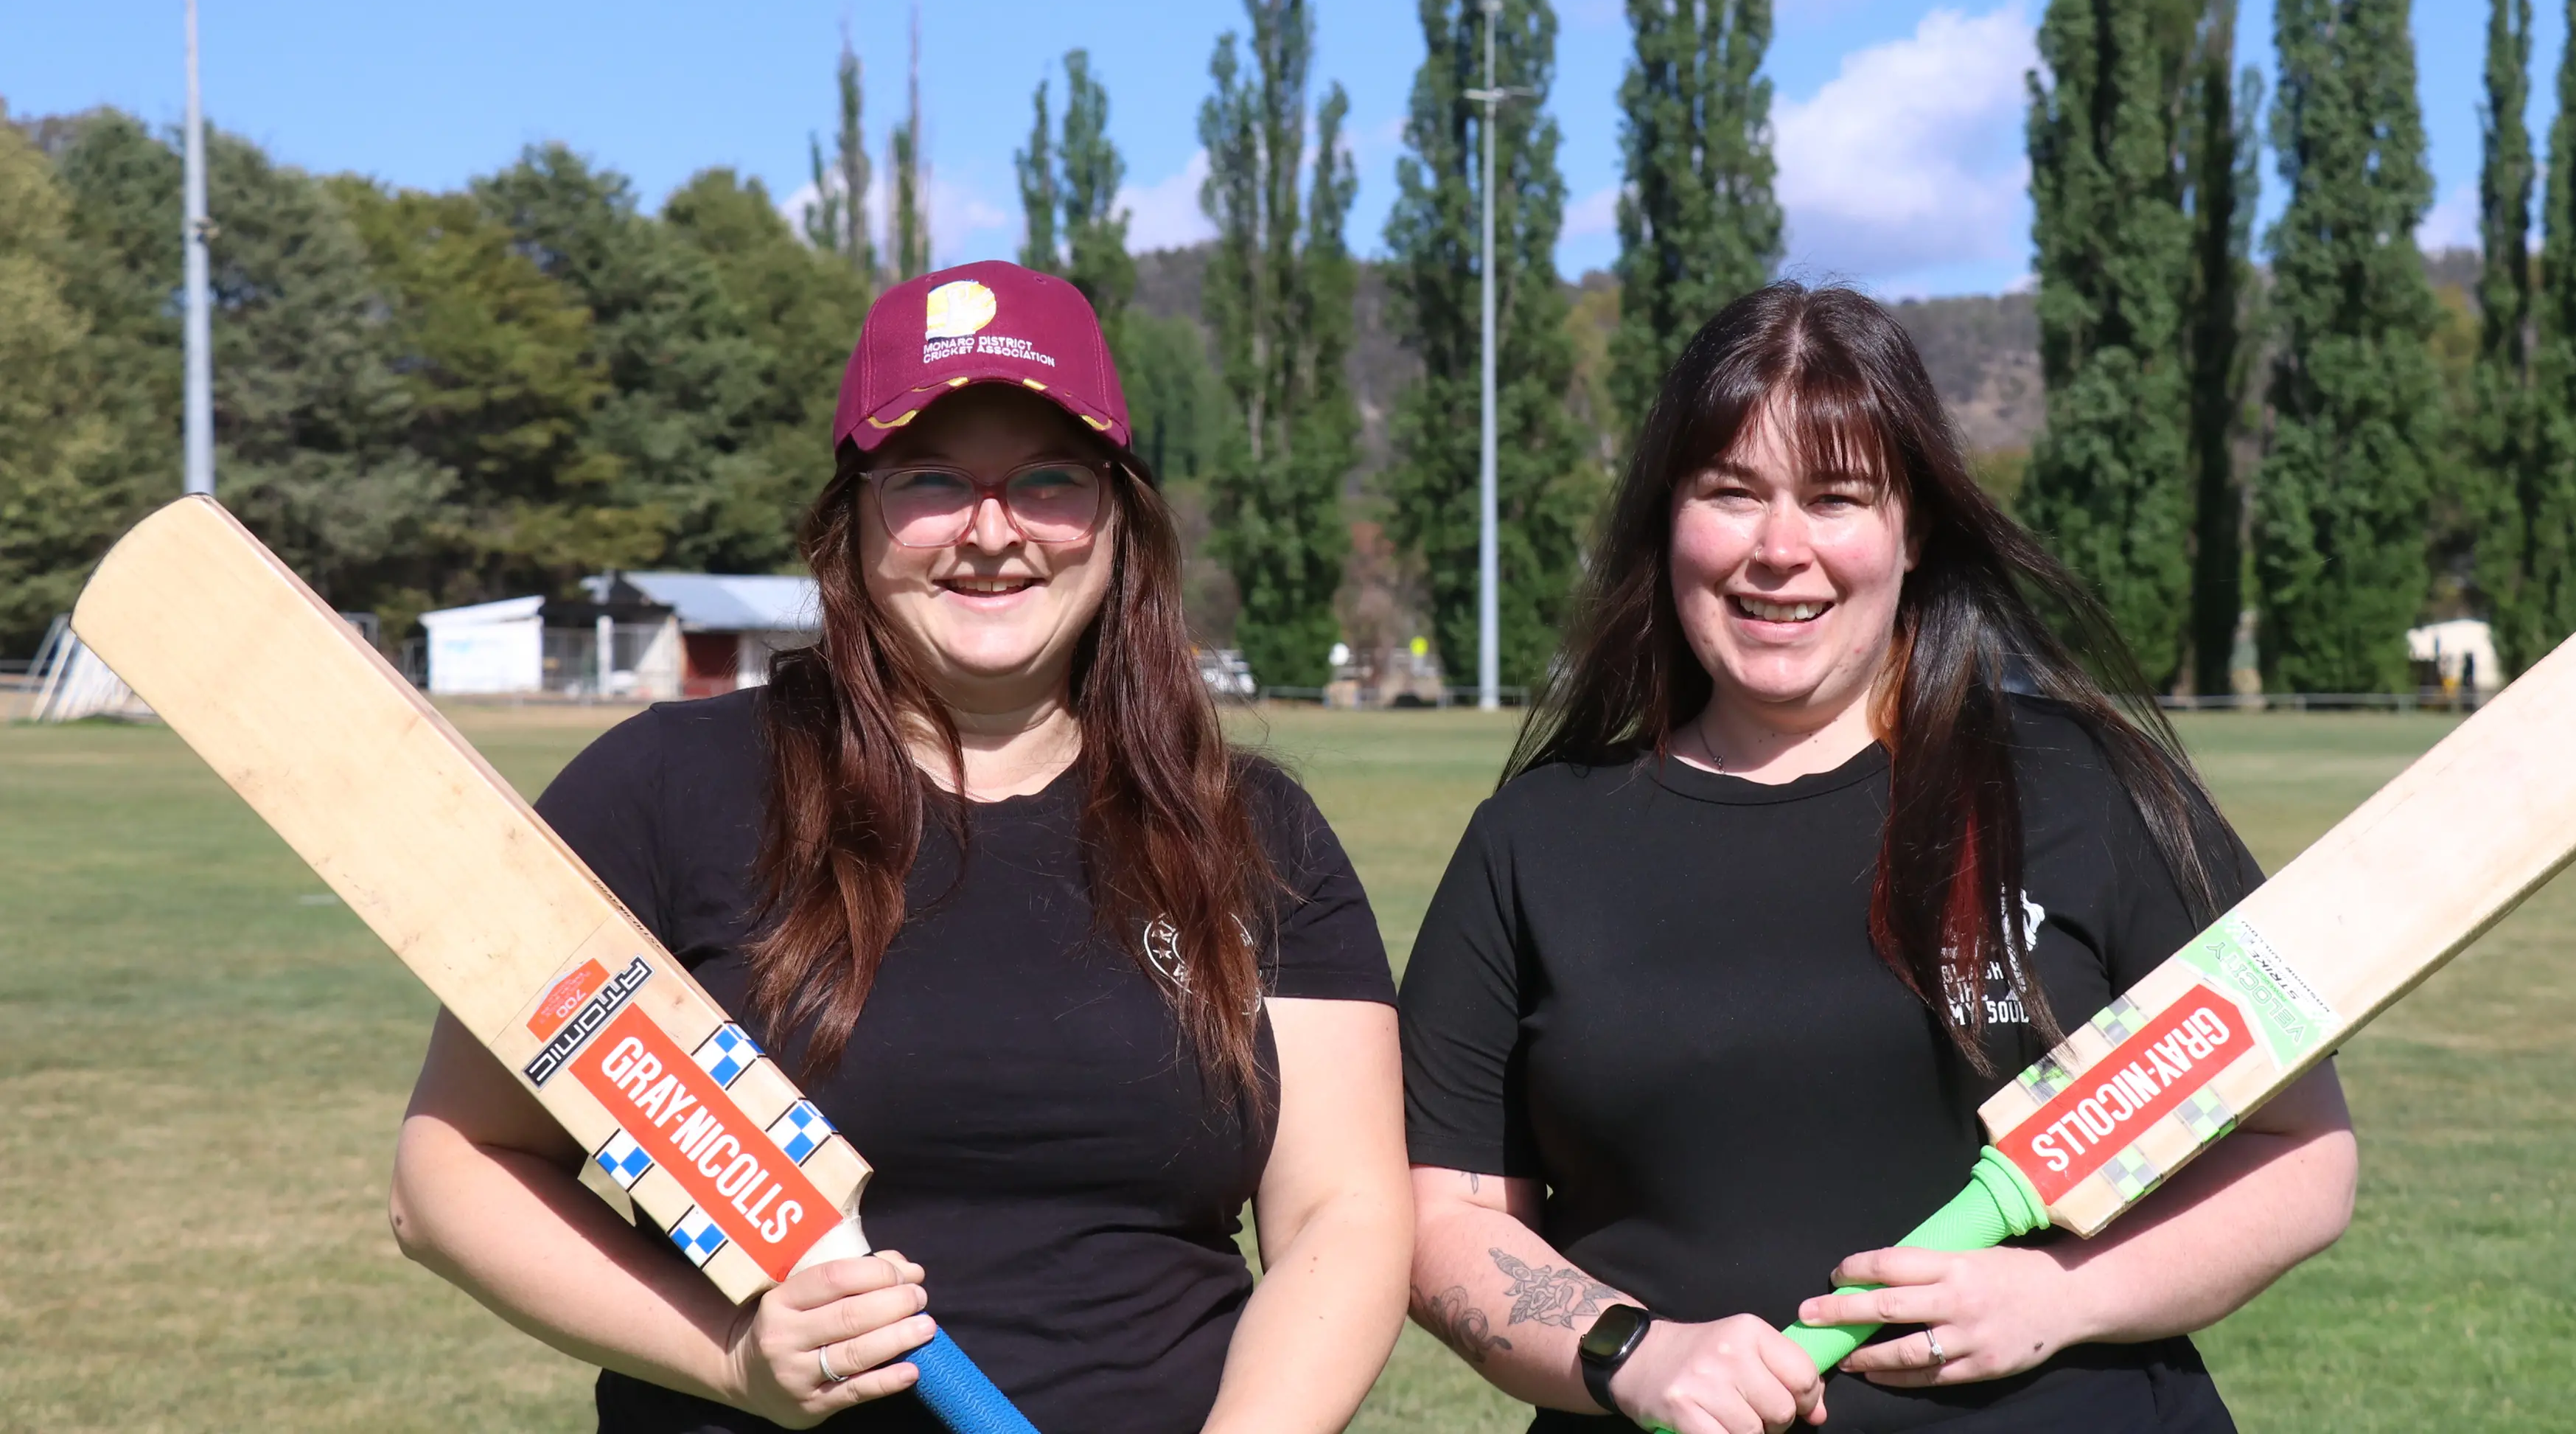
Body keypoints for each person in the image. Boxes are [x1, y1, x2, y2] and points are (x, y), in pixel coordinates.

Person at [390, 262, 1411, 1433]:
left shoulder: (1248, 831)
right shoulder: (662, 793)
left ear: (1119, 519)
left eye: (1049, 481)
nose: (992, 532)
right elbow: (452, 1170)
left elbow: (1345, 1211)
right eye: (931, 481)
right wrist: (733, 1357)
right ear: (854, 519)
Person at [1397, 283, 2356, 1434]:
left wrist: (2062, 1295)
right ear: (1668, 518)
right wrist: (1631, 1353)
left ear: (1917, 531)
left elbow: (2297, 1153)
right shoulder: (1536, 841)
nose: (1779, 551)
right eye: (1731, 494)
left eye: (1838, 497)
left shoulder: (2084, 790)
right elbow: (1446, 1223)